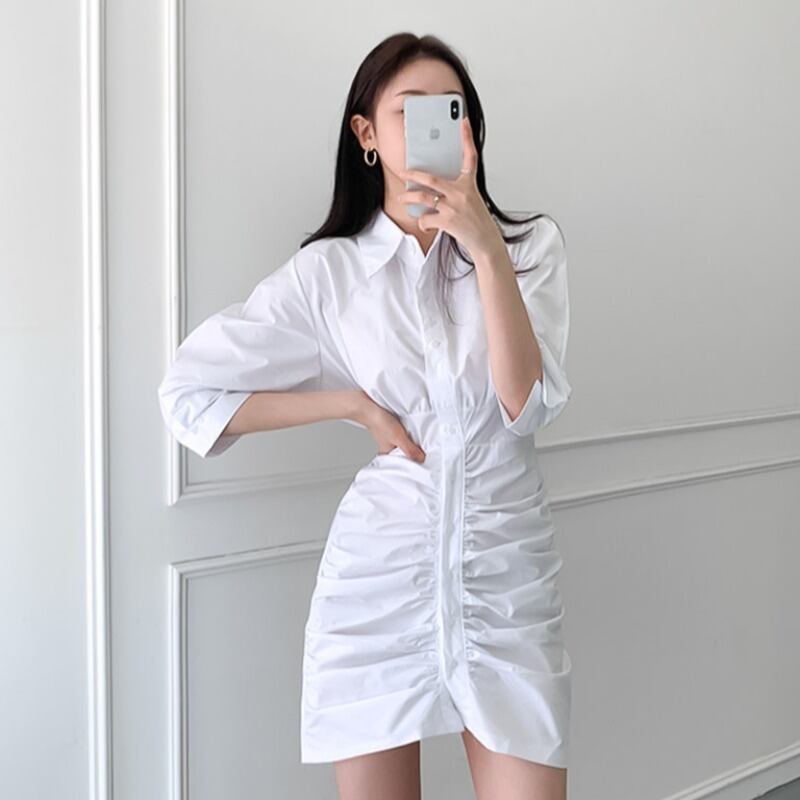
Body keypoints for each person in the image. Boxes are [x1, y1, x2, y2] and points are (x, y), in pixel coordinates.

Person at [158, 32, 573, 800]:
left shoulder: (527, 249)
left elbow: (525, 406)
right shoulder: (330, 274)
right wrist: (350, 404)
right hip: (378, 584)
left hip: (505, 576)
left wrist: (484, 248)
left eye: (451, 112)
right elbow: (188, 392)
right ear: (367, 134)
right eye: (407, 112)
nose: (432, 128)